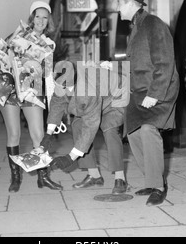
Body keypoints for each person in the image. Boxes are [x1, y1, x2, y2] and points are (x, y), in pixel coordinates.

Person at [115, 0, 179, 206]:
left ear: (131, 3)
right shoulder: (136, 27)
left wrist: (155, 93)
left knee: (148, 128)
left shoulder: (153, 24)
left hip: (159, 89)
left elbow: (165, 61)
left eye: (120, 3)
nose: (117, 8)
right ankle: (154, 179)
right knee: (132, 132)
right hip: (139, 92)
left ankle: (159, 187)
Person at [0, 1, 62, 193]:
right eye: (37, 16)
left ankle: (43, 177)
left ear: (48, 20)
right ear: (31, 18)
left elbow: (48, 74)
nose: (41, 20)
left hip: (32, 89)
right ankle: (15, 177)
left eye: (45, 17)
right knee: (14, 134)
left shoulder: (49, 44)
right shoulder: (17, 34)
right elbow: (2, 56)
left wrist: (53, 102)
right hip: (10, 88)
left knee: (38, 135)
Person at [39, 60, 129, 195]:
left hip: (116, 97)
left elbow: (90, 127)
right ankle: (94, 176)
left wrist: (70, 158)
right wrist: (48, 134)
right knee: (77, 125)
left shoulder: (87, 92)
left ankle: (120, 178)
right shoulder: (62, 81)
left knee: (110, 128)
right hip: (98, 94)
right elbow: (57, 104)